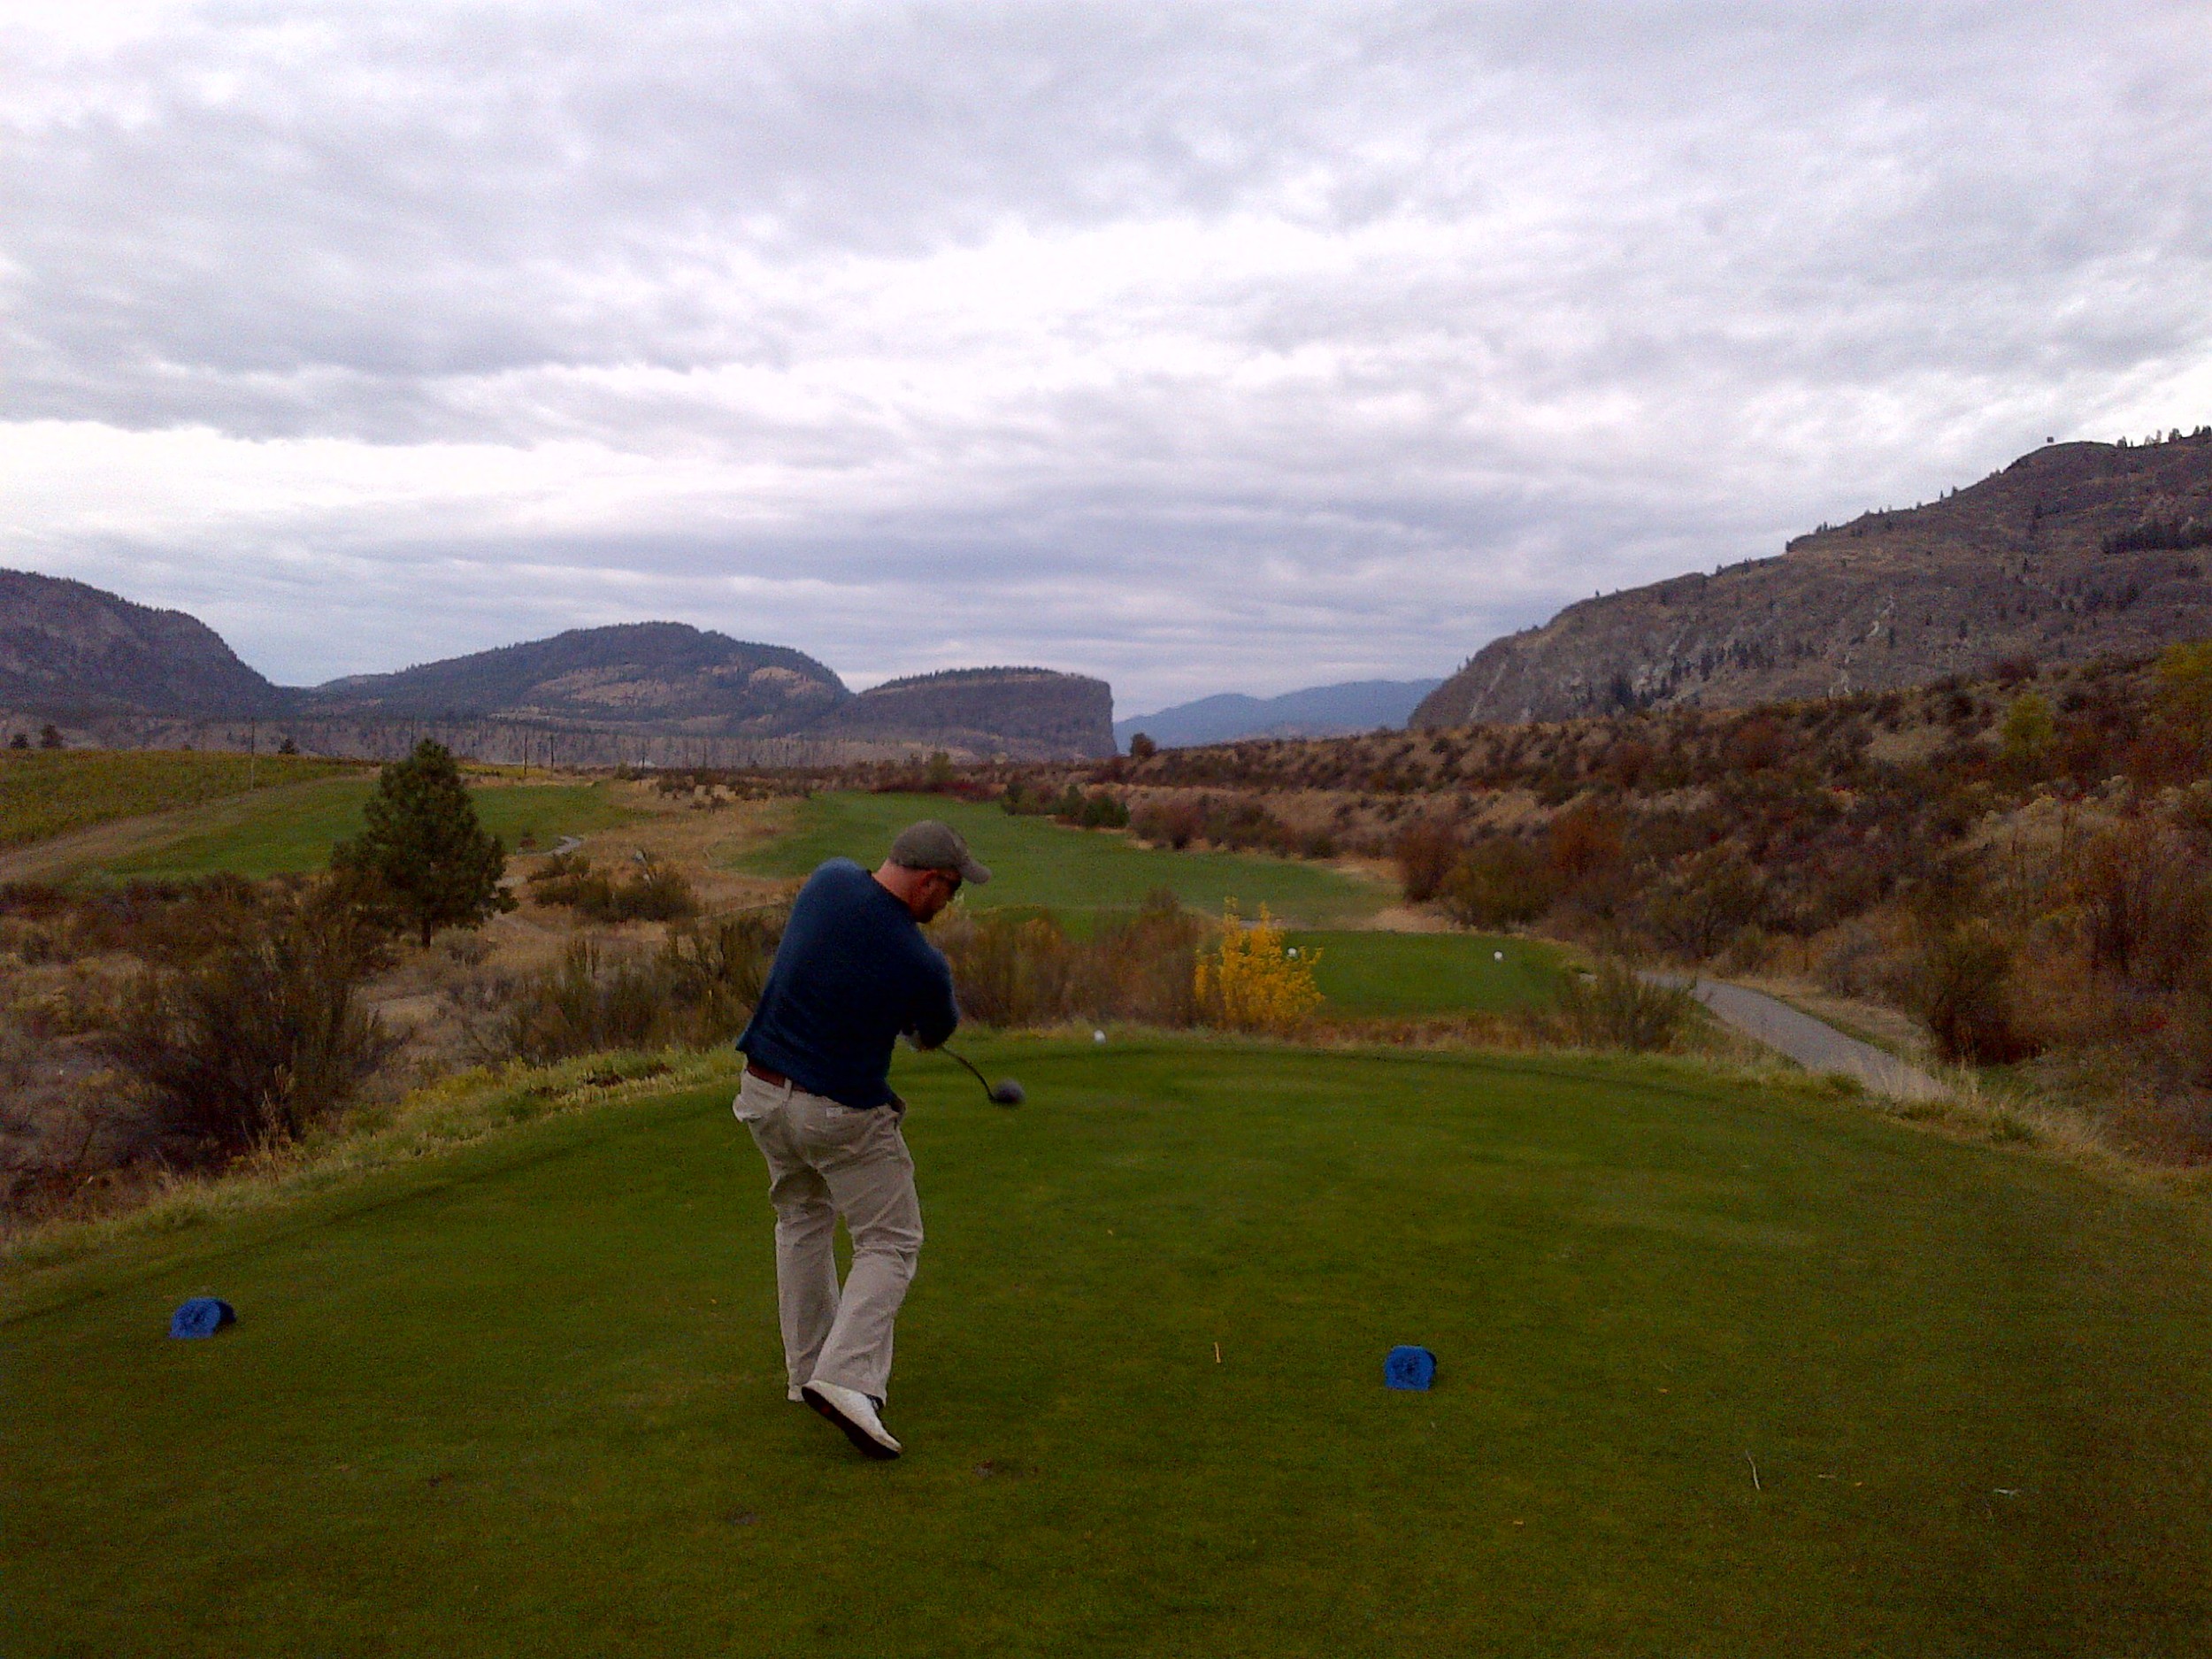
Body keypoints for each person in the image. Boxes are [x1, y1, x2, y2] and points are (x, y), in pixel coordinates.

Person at [732, 819, 988, 1459]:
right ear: (928, 880)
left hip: (762, 1093)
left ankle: (808, 1373)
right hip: (835, 1112)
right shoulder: (919, 960)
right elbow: (934, 1029)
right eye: (952, 890)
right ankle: (845, 1377)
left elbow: (841, 960)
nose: (949, 903)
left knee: (801, 1218)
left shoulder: (828, 880)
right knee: (892, 1239)